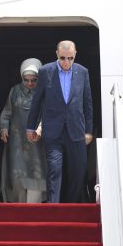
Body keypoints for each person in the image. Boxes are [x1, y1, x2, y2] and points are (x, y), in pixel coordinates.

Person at [26, 40, 93, 203]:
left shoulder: (82, 72)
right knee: (54, 170)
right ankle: (53, 207)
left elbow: (87, 102)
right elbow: (37, 101)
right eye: (63, 58)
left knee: (78, 170)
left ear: (75, 54)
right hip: (53, 131)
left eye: (70, 58)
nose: (66, 62)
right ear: (57, 54)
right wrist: (30, 127)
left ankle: (71, 205)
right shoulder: (46, 71)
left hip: (76, 131)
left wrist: (89, 130)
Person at [0, 58, 47, 203]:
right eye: (26, 80)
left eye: (34, 80)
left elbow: (48, 114)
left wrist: (40, 129)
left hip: (36, 140)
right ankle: (18, 205)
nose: (30, 83)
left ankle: (35, 204)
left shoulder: (45, 92)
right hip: (17, 140)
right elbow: (7, 111)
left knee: (36, 171)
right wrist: (3, 127)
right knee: (17, 171)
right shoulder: (15, 91)